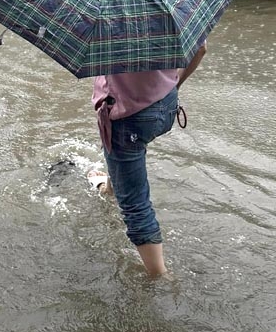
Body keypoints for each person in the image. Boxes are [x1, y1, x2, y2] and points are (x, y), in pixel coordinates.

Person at [86, 43, 208, 277]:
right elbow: (200, 49)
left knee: (135, 204)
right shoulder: (167, 9)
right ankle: (110, 188)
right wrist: (174, 85)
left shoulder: (107, 21)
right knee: (124, 153)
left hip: (127, 115)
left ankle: (161, 276)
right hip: (166, 104)